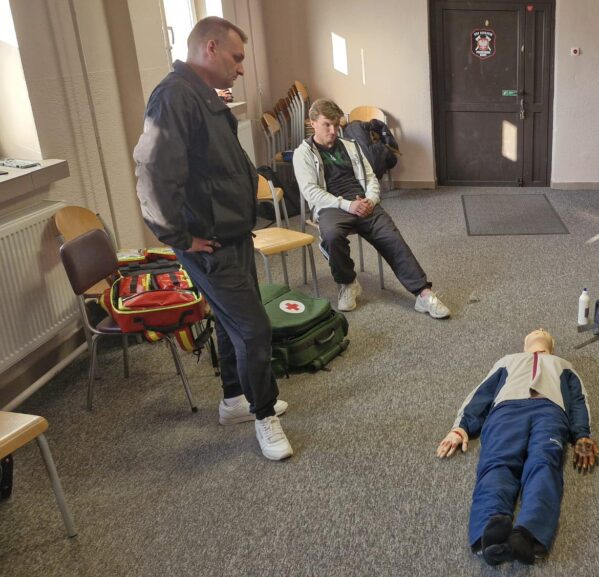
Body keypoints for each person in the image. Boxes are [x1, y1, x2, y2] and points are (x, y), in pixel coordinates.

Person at [134, 17, 292, 461]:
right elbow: (153, 173)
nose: (241, 68)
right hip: (207, 242)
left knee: (229, 322)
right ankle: (264, 415)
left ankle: (234, 400)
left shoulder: (202, 94)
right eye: (236, 57)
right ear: (210, 48)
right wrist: (180, 238)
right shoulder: (173, 97)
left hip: (231, 233)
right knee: (255, 329)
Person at [436, 329, 598, 566]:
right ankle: (488, 533)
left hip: (550, 413)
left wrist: (582, 435)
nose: (540, 329)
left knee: (544, 464)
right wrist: (461, 427)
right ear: (524, 344)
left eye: (544, 331)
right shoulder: (507, 360)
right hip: (506, 411)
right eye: (536, 330)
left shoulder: (564, 364)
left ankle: (529, 534)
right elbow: (482, 393)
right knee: (497, 463)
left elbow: (578, 400)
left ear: (552, 345)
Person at [293, 99, 450, 318]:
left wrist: (372, 200)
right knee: (331, 236)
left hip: (363, 202)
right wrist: (348, 205)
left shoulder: (350, 145)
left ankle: (423, 294)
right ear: (312, 123)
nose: (333, 131)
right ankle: (348, 283)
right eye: (327, 125)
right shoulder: (303, 154)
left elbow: (370, 177)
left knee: (392, 239)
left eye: (336, 125)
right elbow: (311, 192)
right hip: (332, 205)